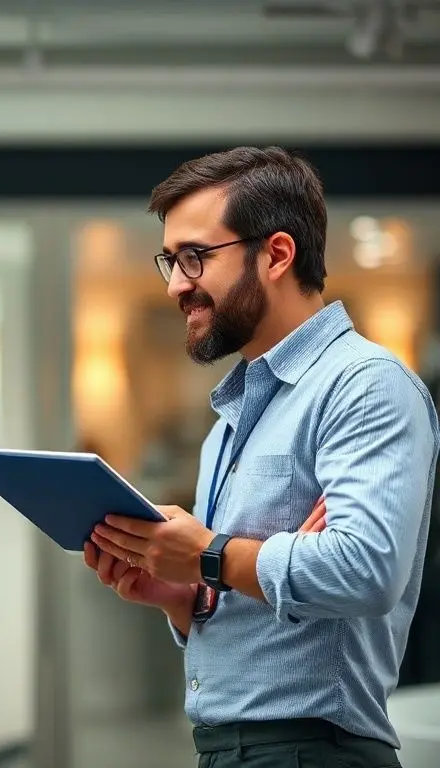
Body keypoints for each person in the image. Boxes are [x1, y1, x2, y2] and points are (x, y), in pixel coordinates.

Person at [84, 146, 439, 767]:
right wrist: (180, 590)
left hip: (313, 753)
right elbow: (265, 614)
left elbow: (365, 569)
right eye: (169, 260)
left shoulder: (364, 384)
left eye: (194, 257)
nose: (174, 285)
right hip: (231, 749)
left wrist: (211, 554)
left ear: (276, 253)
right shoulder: (231, 420)